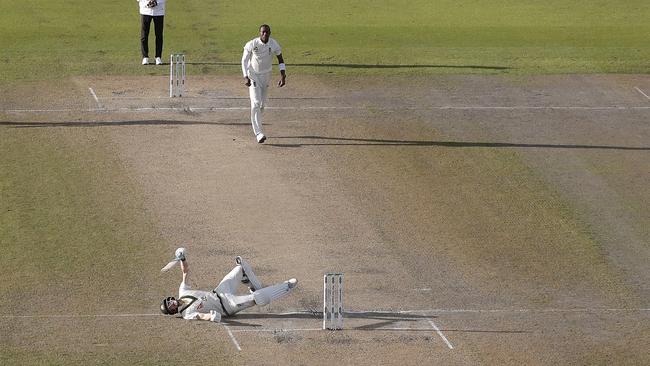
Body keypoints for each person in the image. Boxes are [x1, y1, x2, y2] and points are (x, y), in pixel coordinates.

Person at [160, 248, 298, 322]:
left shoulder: (183, 291)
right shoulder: (187, 314)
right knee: (257, 298)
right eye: (170, 306)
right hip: (227, 306)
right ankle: (286, 287)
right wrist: (211, 317)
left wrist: (182, 259)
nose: (172, 303)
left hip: (220, 291)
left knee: (240, 266)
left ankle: (255, 286)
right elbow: (199, 317)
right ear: (173, 311)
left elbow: (185, 272)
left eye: (169, 301)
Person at [241, 24, 287, 143]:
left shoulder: (274, 44)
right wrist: (245, 76)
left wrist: (283, 76)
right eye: (262, 32)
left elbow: (280, 59)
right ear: (259, 33)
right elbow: (244, 60)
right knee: (256, 103)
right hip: (253, 75)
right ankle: (259, 133)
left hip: (266, 76)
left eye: (267, 32)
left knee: (262, 105)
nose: (264, 34)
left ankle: (257, 122)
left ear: (270, 33)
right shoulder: (252, 44)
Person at [137, 0, 166, 65]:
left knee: (159, 35)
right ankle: (145, 57)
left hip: (159, 11)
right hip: (145, 10)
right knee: (144, 35)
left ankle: (158, 57)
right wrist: (147, 3)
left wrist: (156, 2)